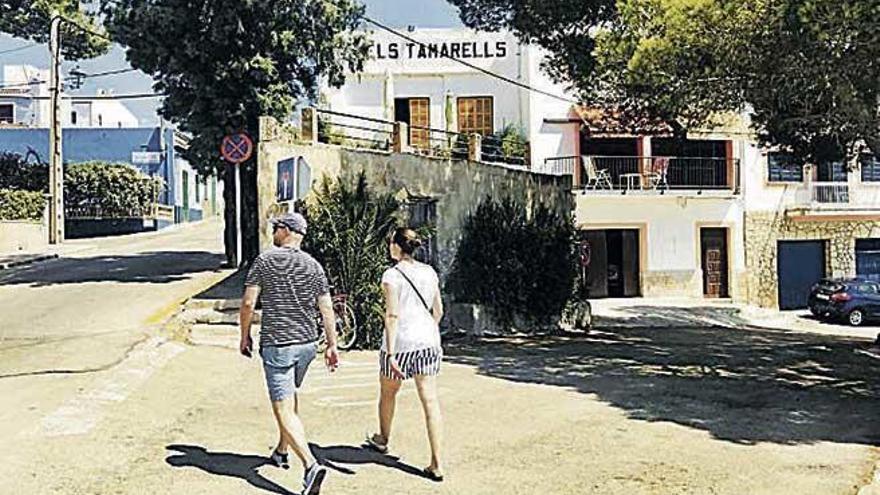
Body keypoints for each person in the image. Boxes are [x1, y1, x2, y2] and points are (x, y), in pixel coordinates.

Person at [239, 212, 339, 495]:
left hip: (278, 345)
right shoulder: (314, 266)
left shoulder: (265, 260)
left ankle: (310, 466)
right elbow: (326, 308)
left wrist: (244, 335)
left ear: (285, 230)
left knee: (282, 405)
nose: (273, 233)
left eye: (276, 228)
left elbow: (248, 304)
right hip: (307, 344)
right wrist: (331, 344)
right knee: (290, 396)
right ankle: (282, 449)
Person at [366, 227, 445, 482]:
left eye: (391, 242)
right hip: (427, 343)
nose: (389, 246)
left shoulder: (391, 274)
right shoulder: (429, 272)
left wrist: (390, 353)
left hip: (400, 344)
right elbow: (439, 311)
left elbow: (392, 315)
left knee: (388, 393)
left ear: (398, 247)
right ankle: (437, 462)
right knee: (430, 402)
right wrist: (428, 330)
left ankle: (382, 438)